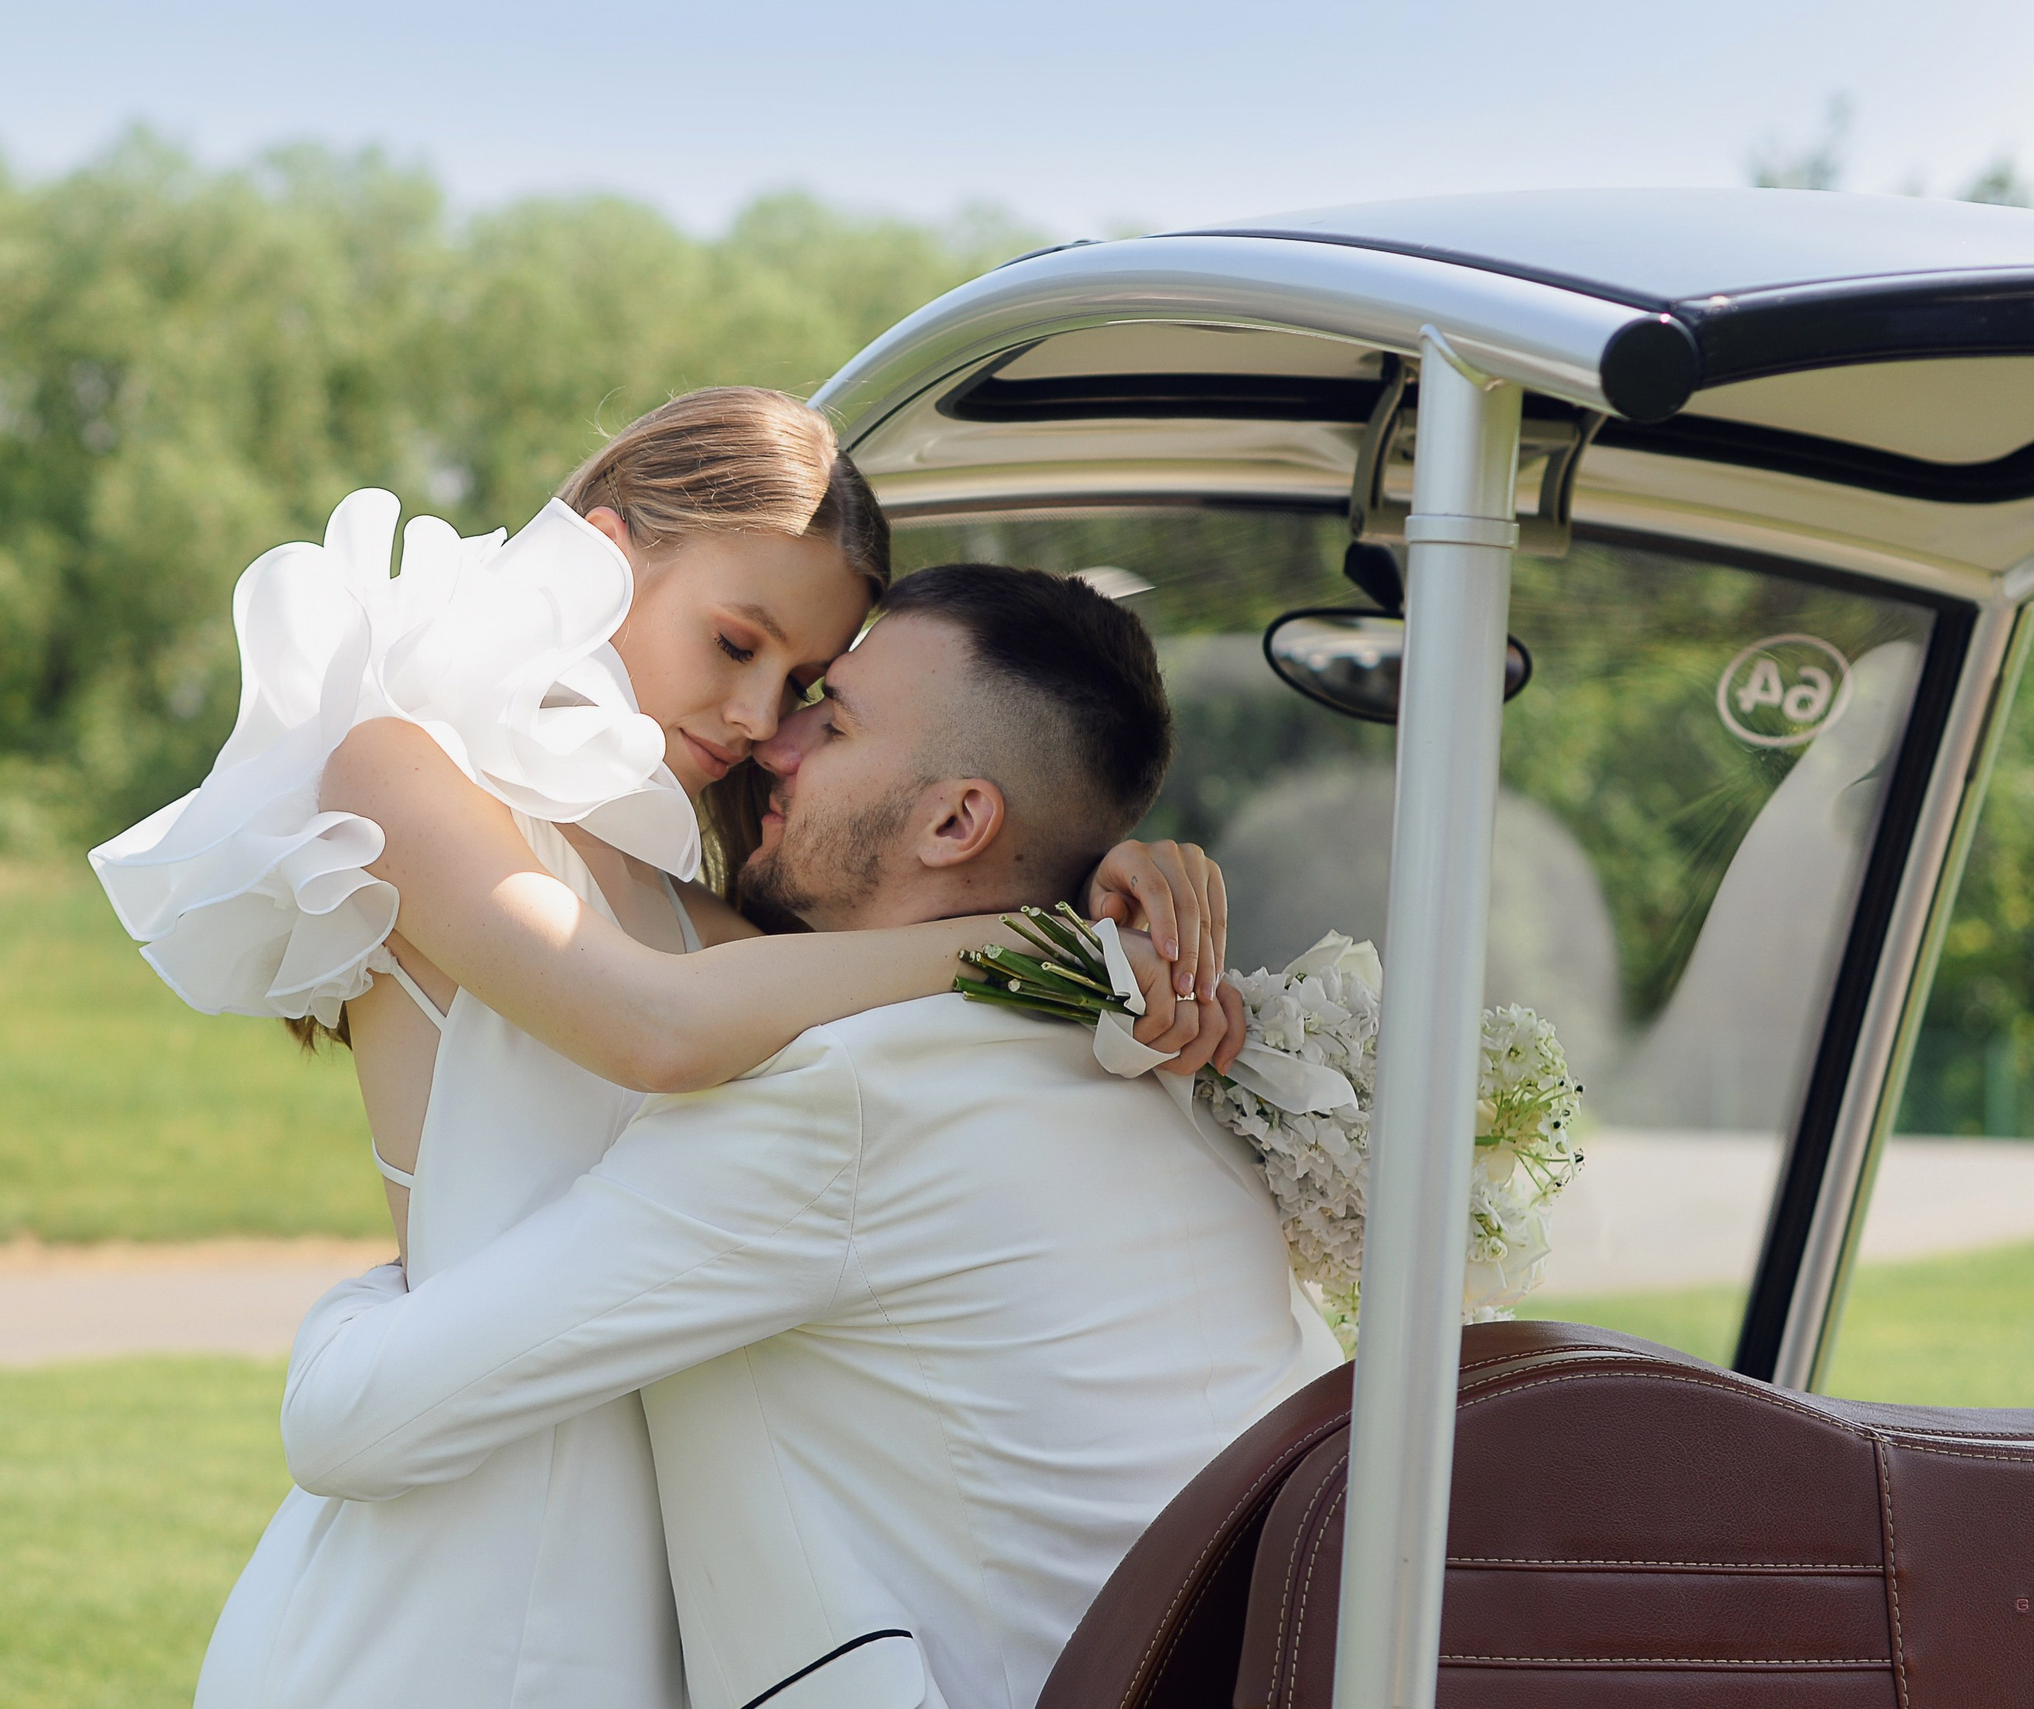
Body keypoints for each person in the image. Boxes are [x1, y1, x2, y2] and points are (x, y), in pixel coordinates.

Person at [90, 389, 1236, 1709]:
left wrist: (1116, 879)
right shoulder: (396, 775)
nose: (757, 716)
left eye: (803, 687)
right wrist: (1023, 940)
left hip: (652, 1577)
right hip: (454, 1550)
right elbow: (651, 1028)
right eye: (734, 642)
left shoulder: (710, 909)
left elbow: (896, 933)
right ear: (606, 553)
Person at [277, 564, 1341, 1709]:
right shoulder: (1152, 1067)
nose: (771, 743)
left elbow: (352, 1422)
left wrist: (411, 1271)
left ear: (953, 820)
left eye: (828, 719)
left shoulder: (846, 1097)